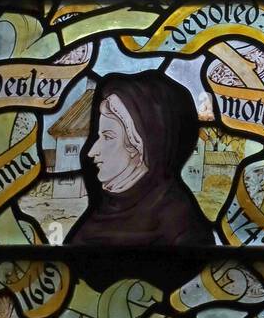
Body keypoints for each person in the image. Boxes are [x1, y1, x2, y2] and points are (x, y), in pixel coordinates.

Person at [66, 71, 215, 246]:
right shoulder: (99, 217)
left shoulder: (181, 229)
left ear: (142, 147)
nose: (92, 152)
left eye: (107, 137)